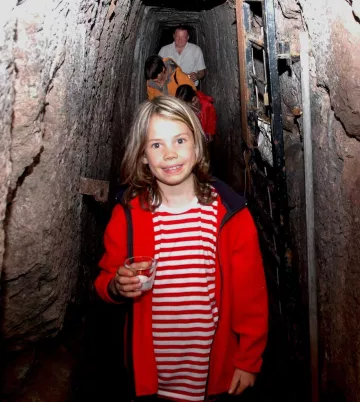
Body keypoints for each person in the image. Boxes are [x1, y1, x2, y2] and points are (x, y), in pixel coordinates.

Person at [94, 96, 268, 402]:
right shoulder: (128, 215)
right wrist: (117, 285)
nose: (170, 153)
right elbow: (106, 278)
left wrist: (248, 359)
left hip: (211, 373)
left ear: (197, 146)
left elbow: (250, 294)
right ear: (143, 155)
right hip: (152, 376)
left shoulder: (230, 216)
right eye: (156, 145)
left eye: (179, 140)